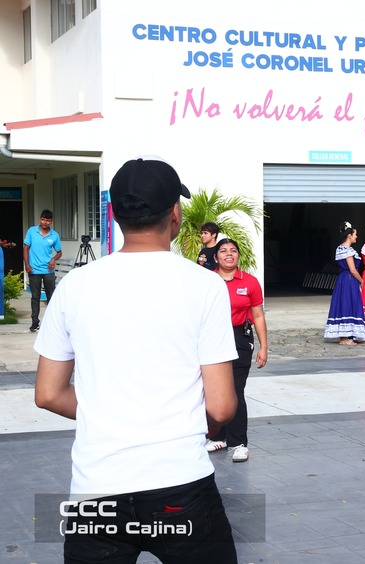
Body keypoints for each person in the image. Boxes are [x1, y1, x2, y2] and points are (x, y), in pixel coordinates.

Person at [33, 157, 238, 562]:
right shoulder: (205, 285)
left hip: (96, 490)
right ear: (175, 214)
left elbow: (48, 394)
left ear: (114, 213)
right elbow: (221, 405)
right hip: (180, 485)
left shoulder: (75, 285)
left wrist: (107, 410)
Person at [205, 238, 268, 463]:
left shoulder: (249, 282)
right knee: (212, 389)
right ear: (216, 257)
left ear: (238, 256)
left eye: (233, 251)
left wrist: (264, 347)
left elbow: (258, 316)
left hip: (239, 337)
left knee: (235, 390)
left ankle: (238, 443)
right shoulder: (207, 281)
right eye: (223, 251)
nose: (228, 254)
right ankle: (218, 437)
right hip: (212, 337)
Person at [324, 222, 365, 345]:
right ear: (349, 235)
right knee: (347, 303)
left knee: (347, 303)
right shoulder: (347, 250)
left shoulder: (340, 248)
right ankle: (344, 338)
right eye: (355, 234)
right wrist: (361, 280)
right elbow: (353, 270)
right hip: (348, 280)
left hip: (344, 280)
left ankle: (350, 334)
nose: (356, 237)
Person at [23, 209, 63, 332]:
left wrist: (53, 260)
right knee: (35, 296)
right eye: (43, 219)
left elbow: (59, 252)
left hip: (48, 271)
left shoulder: (54, 235)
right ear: (40, 219)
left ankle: (52, 322)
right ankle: (35, 321)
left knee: (51, 296)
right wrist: (27, 264)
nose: (45, 222)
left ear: (51, 221)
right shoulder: (31, 231)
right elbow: (26, 248)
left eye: (48, 220)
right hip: (34, 270)